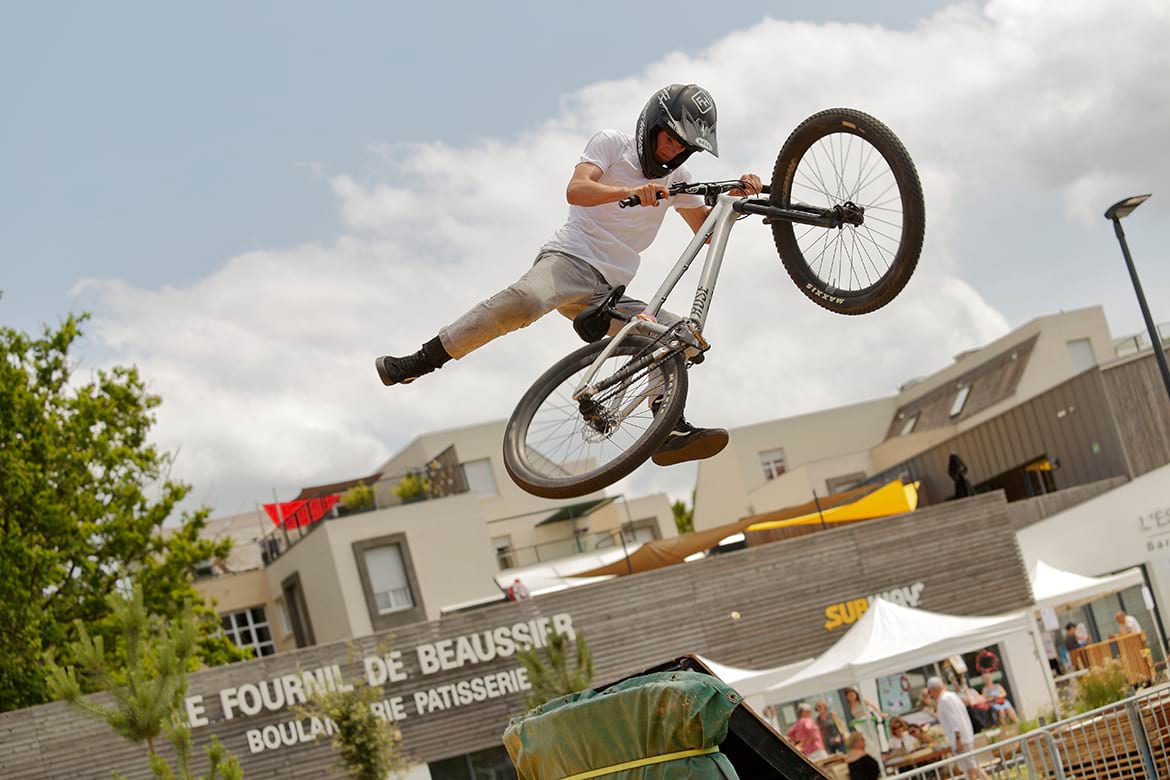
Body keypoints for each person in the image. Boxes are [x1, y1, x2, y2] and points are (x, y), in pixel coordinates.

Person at [375, 84, 762, 467]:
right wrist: (630, 192)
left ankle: (668, 428)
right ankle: (419, 362)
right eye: (669, 138)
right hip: (569, 259)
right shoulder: (613, 144)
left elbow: (706, 233)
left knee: (679, 338)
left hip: (609, 292)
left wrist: (736, 201)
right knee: (526, 302)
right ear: (652, 124)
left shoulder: (679, 177)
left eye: (683, 146)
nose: (673, 150)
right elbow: (577, 190)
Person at [927, 677, 990, 779]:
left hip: (960, 739)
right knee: (970, 768)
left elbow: (954, 721)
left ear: (933, 689)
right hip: (965, 735)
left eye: (930, 691)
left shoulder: (944, 700)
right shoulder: (952, 696)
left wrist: (958, 739)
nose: (931, 694)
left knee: (972, 766)